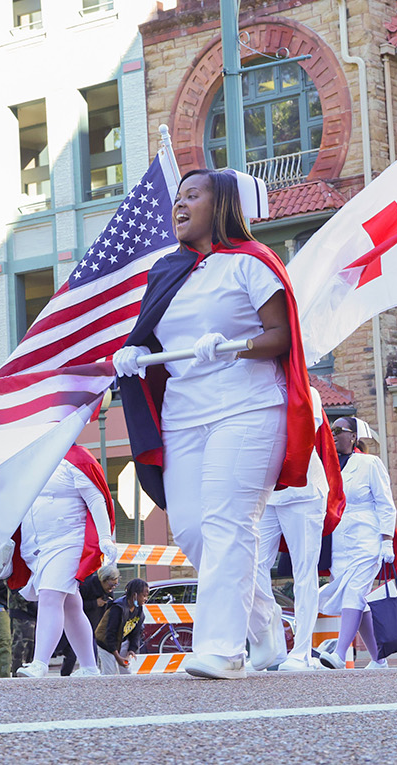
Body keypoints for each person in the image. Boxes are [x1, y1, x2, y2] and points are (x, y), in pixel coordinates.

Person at [113, 169, 315, 680]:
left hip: (246, 404)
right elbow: (155, 339)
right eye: (177, 198)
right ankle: (266, 626)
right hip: (185, 412)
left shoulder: (250, 262)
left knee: (229, 521)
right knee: (192, 529)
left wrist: (234, 344)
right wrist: (139, 352)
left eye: (192, 196)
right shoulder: (166, 272)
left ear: (220, 204)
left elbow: (281, 335)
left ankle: (223, 649)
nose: (179, 205)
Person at [246, 387, 345, 672]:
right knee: (253, 566)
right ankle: (273, 644)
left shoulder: (305, 390)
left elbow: (302, 432)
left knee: (304, 571)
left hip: (302, 489)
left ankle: (301, 651)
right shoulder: (255, 387)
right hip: (268, 490)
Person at [10, 449, 117, 679]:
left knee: (50, 596)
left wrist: (104, 537)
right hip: (39, 546)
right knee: (71, 604)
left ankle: (40, 663)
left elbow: (96, 498)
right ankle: (90, 667)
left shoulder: (76, 459)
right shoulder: (30, 459)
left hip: (69, 540)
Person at [316, 417, 397, 669]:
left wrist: (387, 541)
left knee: (354, 592)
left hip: (367, 537)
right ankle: (379, 659)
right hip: (338, 541)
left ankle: (339, 653)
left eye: (341, 431)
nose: (335, 434)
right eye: (332, 430)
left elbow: (385, 503)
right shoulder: (325, 465)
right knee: (357, 601)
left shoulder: (369, 463)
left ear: (353, 437)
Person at [57, 564, 120, 676]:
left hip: (94, 624)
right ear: (103, 579)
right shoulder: (87, 584)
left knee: (91, 650)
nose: (113, 588)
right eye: (111, 584)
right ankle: (65, 676)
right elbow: (73, 606)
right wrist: (95, 603)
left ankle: (90, 672)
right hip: (78, 623)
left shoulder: (108, 590)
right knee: (72, 652)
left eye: (116, 584)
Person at [95, 578, 149, 675]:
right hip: (106, 643)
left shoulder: (139, 611)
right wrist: (117, 656)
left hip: (122, 641)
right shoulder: (118, 608)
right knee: (110, 673)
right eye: (144, 596)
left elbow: (136, 633)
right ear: (135, 595)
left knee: (127, 671)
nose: (146, 599)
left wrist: (131, 650)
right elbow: (110, 634)